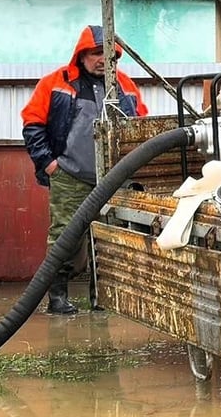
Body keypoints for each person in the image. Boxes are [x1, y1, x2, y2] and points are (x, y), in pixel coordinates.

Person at [21, 25, 148, 315]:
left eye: (109, 54)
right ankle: (57, 296)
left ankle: (101, 298)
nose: (103, 59)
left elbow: (140, 123)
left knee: (109, 238)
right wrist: (50, 164)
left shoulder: (125, 85)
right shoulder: (56, 82)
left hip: (115, 178)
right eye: (95, 53)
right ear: (81, 55)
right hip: (70, 177)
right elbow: (32, 125)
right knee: (64, 235)